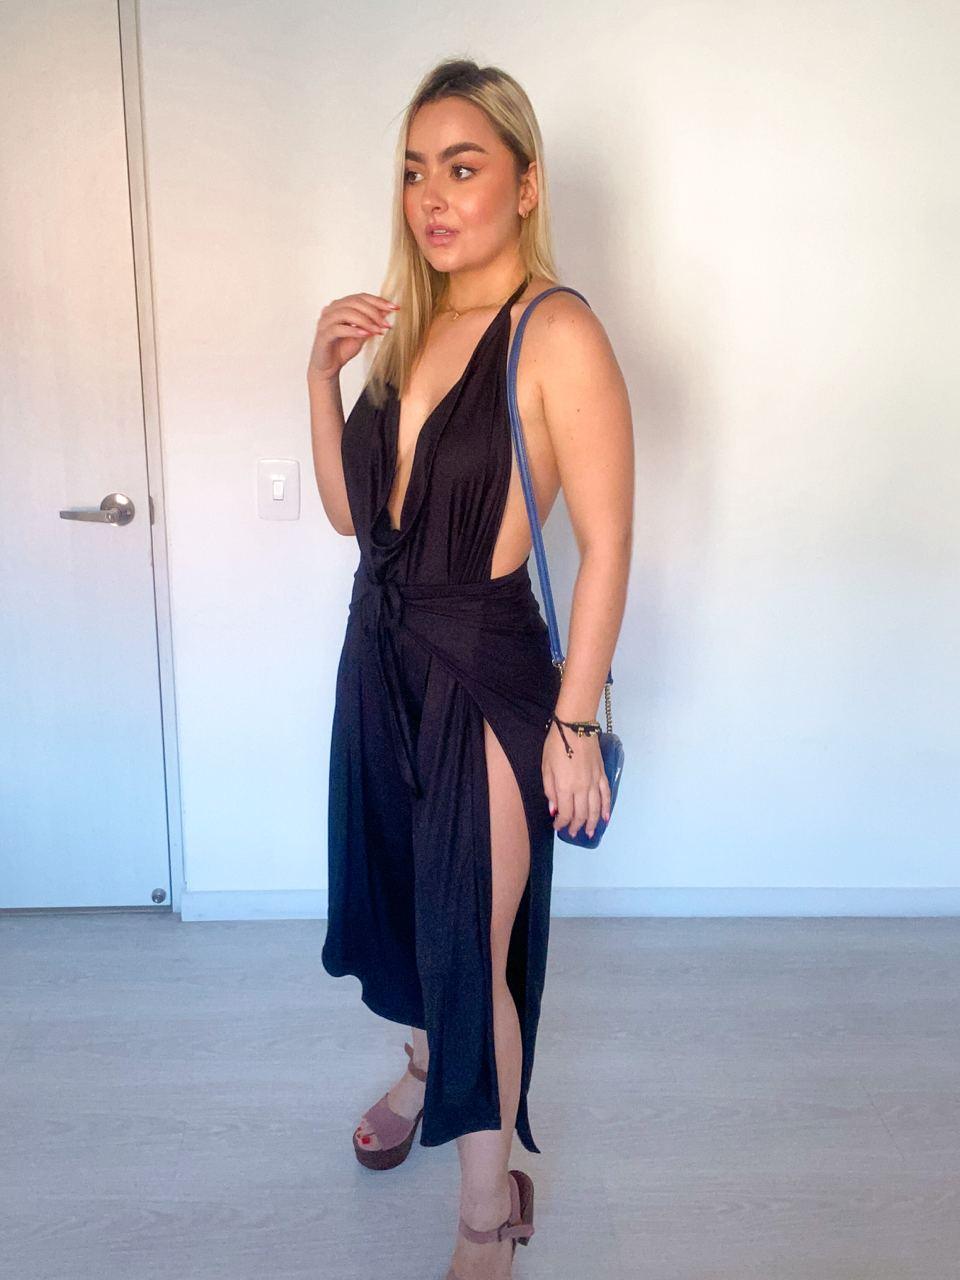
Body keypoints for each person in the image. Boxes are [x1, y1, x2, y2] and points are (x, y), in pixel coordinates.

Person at [306, 57, 633, 1280]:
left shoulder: (557, 331)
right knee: (403, 900)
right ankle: (423, 1063)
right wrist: (319, 377)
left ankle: (489, 1217)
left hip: (480, 670)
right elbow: (356, 520)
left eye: (462, 166)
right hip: (377, 652)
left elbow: (607, 541)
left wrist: (575, 722)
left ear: (525, 183)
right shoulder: (410, 326)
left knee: (464, 943)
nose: (432, 197)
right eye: (414, 171)